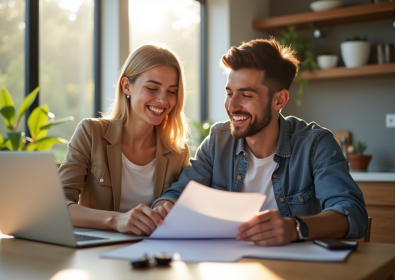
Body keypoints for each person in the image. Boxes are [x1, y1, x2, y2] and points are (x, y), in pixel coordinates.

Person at [153, 37, 368, 246]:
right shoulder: (218, 141)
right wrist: (165, 206)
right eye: (229, 93)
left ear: (279, 100)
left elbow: (353, 214)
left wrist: (294, 228)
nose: (232, 106)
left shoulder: (315, 145)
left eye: (246, 95)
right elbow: (178, 194)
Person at [59, 43, 190, 236]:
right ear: (127, 86)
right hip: (96, 251)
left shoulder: (178, 151)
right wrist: (115, 220)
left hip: (150, 254)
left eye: (171, 91)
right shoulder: (91, 133)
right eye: (153, 88)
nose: (163, 100)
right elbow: (58, 205)